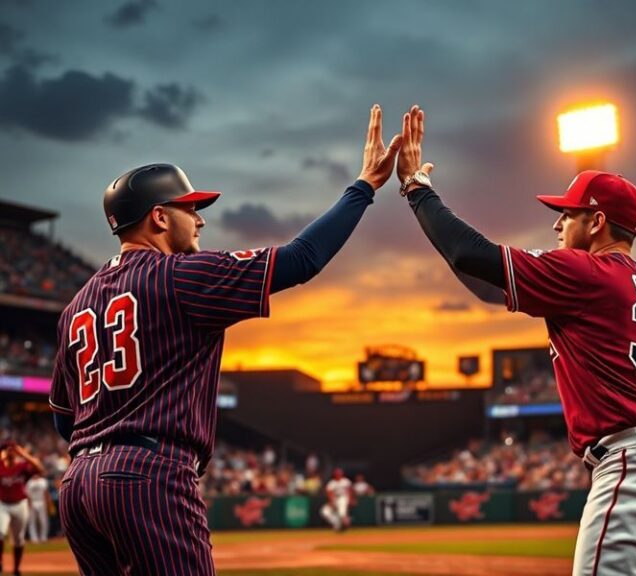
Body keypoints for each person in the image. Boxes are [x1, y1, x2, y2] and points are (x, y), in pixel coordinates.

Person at [49, 104, 402, 575]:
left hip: (78, 487)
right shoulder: (180, 275)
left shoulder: (76, 305)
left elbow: (62, 418)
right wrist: (364, 187)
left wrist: (101, 443)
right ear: (158, 217)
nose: (200, 220)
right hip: (147, 477)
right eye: (190, 208)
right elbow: (303, 259)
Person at [397, 104, 636, 575]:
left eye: (567, 215)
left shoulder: (588, 272)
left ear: (596, 222)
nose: (556, 225)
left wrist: (416, 191)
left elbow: (471, 253)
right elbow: (487, 277)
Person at [0, 442, 44, 576]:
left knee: (18, 539)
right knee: (0, 534)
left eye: (12, 450)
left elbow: (40, 469)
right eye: (6, 450)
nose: (10, 452)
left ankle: (16, 568)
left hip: (20, 504)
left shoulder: (22, 466)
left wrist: (23, 454)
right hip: (2, 504)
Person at [321, 468, 352, 532]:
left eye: (339, 473)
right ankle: (338, 524)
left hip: (343, 497)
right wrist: (331, 502)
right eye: (337, 473)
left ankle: (343, 522)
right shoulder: (332, 483)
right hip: (334, 498)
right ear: (334, 474)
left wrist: (350, 499)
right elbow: (329, 493)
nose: (338, 474)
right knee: (324, 511)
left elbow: (350, 491)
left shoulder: (345, 481)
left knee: (342, 514)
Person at [25, 471, 52, 543]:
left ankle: (43, 537)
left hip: (42, 501)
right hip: (33, 502)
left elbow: (46, 493)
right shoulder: (29, 482)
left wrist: (49, 504)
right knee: (32, 521)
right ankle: (34, 538)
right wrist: (28, 505)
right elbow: (28, 496)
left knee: (43, 521)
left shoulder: (43, 481)